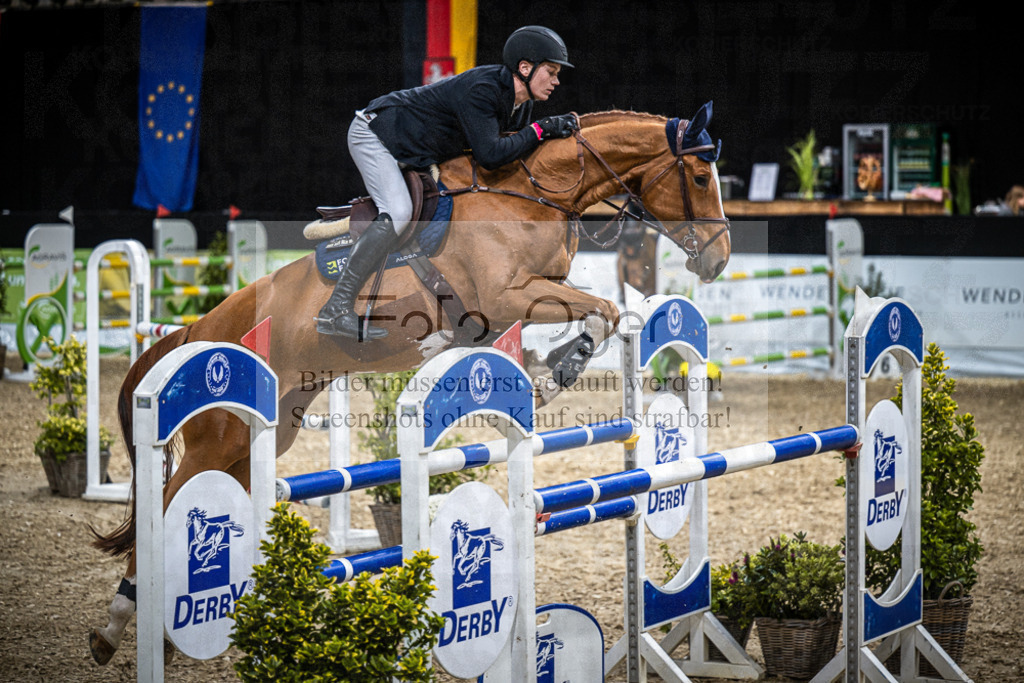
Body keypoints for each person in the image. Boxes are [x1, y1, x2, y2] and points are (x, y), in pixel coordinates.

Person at [316, 25, 579, 339]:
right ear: (525, 67)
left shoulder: (520, 105)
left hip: (414, 151)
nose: (556, 80)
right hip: (376, 136)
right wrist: (541, 130)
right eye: (550, 72)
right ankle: (336, 309)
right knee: (398, 212)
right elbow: (492, 155)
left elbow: (509, 156)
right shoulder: (483, 89)